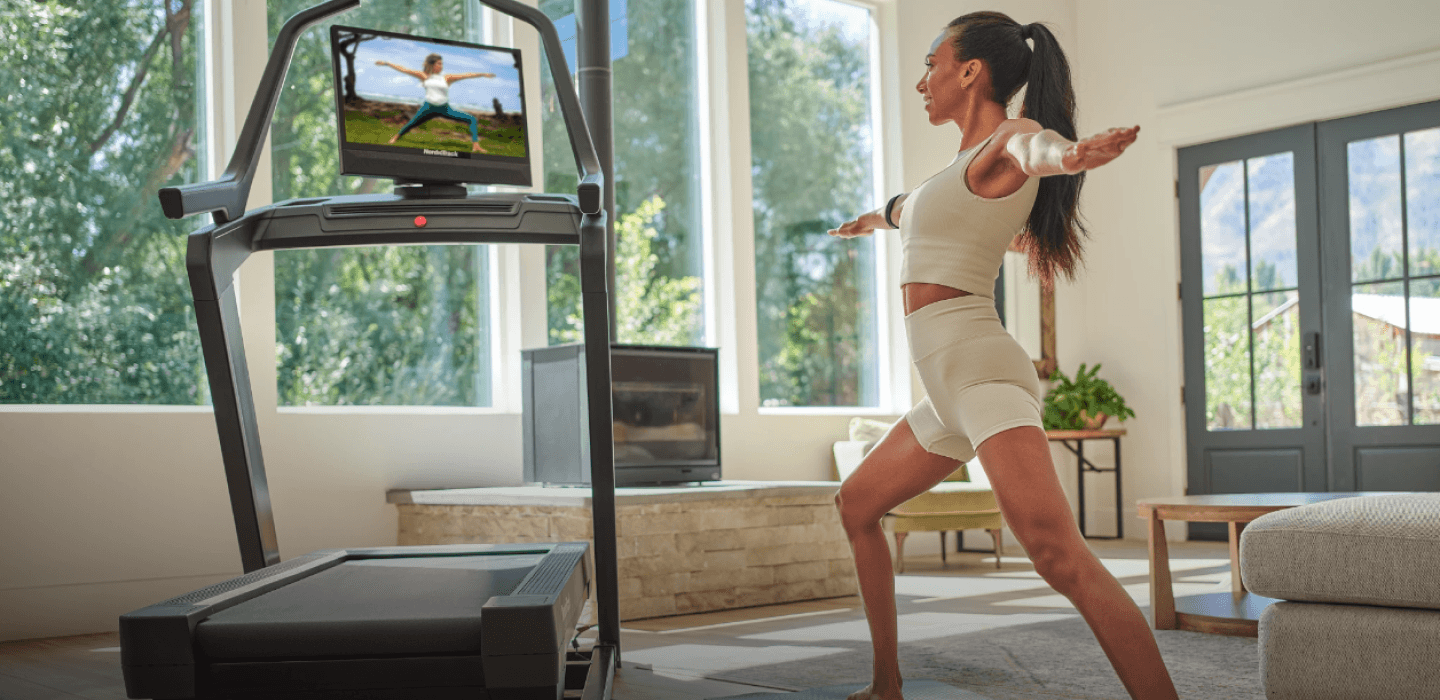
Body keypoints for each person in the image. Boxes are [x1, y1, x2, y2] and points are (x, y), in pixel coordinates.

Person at [826, 11, 1176, 700]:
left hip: (982, 373)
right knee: (856, 505)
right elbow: (908, 208)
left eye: (931, 63)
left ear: (969, 70)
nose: (922, 79)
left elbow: (1038, 149)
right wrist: (872, 219)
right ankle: (886, 685)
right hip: (946, 393)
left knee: (1058, 555)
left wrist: (1074, 157)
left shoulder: (1008, 142)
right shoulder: (952, 172)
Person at [376, 54, 495, 152]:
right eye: (439, 63)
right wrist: (387, 63)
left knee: (471, 119)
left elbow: (467, 75)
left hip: (444, 108)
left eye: (442, 63)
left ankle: (476, 145)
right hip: (428, 107)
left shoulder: (447, 78)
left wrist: (483, 74)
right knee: (412, 123)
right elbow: (404, 69)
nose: (441, 66)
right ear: (432, 64)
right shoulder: (424, 76)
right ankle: (396, 137)